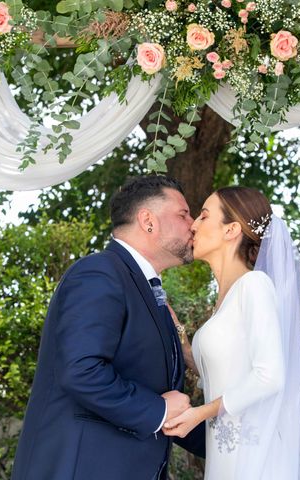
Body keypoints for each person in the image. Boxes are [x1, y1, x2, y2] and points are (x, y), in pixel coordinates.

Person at [12, 176, 205, 480]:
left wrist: (232, 442)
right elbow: (81, 371)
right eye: (183, 214)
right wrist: (157, 411)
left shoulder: (149, 291)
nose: (193, 224)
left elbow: (165, 402)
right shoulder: (99, 273)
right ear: (148, 221)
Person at [162, 186, 300, 479]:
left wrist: (199, 413)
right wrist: (184, 345)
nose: (193, 225)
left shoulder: (255, 286)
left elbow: (269, 376)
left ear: (231, 230)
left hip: (255, 456)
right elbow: (230, 374)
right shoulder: (226, 299)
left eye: (204, 217)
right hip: (226, 454)